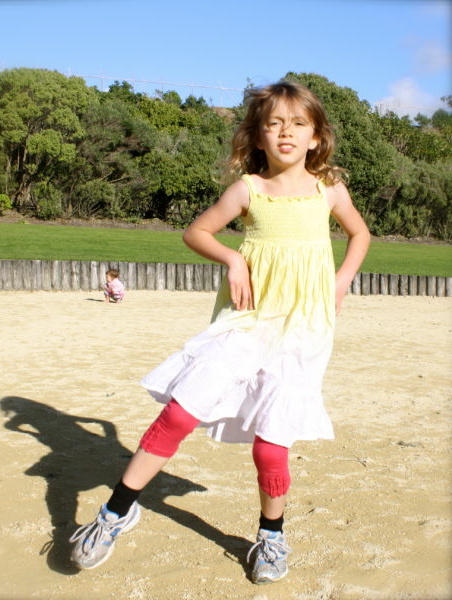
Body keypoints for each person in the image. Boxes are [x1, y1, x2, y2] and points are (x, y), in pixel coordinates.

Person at [69, 81, 370, 584]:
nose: (285, 132)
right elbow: (195, 231)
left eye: (297, 123)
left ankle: (271, 536)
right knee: (179, 413)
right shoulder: (248, 190)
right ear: (257, 136)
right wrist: (232, 257)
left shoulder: (329, 190)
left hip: (303, 330)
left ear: (316, 136)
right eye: (273, 124)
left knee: (271, 446)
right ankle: (115, 513)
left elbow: (360, 234)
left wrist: (342, 278)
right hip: (246, 320)